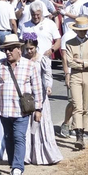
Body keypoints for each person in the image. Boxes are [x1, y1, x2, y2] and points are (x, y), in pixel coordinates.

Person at [0, 32, 45, 175]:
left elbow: (37, 88)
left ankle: (17, 169)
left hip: (22, 110)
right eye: (5, 50)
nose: (7, 52)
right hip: (4, 109)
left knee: (19, 137)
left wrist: (38, 109)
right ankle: (12, 166)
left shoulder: (30, 66)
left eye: (11, 49)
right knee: (8, 138)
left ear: (19, 49)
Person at [21, 35, 61, 165]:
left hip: (40, 96)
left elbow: (47, 74)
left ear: (36, 46)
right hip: (27, 97)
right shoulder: (23, 60)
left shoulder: (42, 60)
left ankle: (45, 154)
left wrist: (48, 86)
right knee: (27, 125)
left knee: (40, 124)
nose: (29, 51)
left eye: (31, 48)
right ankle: (27, 155)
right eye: (27, 49)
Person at [60, 16, 88, 145]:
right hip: (75, 76)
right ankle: (79, 135)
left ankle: (82, 129)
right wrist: (84, 63)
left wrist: (82, 61)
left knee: (85, 106)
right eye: (81, 31)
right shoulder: (70, 43)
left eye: (85, 30)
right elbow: (70, 62)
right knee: (77, 105)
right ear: (76, 30)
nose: (83, 33)